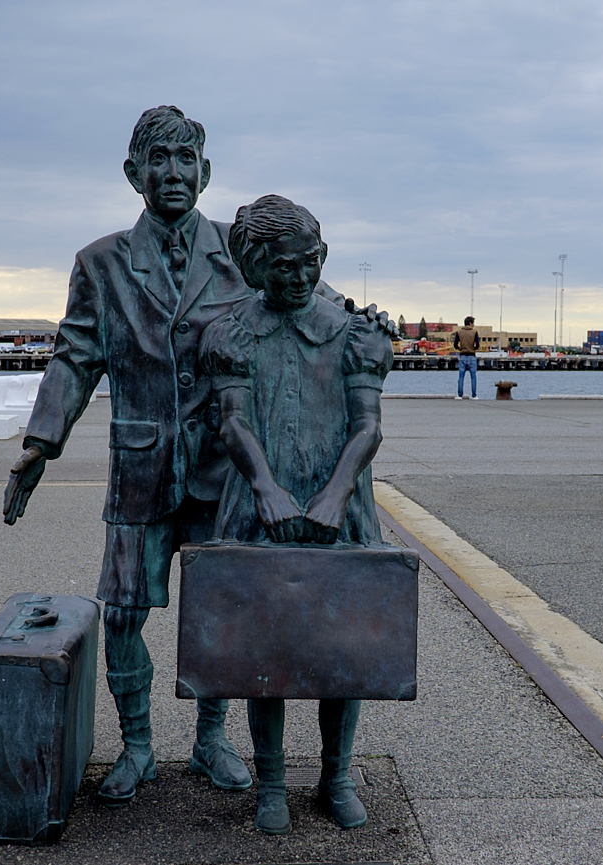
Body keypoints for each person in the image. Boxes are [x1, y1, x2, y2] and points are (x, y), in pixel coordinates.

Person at [1, 106, 253, 805]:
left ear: (205, 172)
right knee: (123, 613)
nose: (172, 172)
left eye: (184, 159)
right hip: (141, 469)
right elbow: (74, 356)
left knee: (222, 609)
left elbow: (296, 316)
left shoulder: (241, 251)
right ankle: (137, 745)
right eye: (158, 159)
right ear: (132, 173)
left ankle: (211, 738)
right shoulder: (102, 263)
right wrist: (39, 442)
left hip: (221, 468)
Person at [200, 194, 392, 834]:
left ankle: (336, 775)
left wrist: (336, 492)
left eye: (310, 262)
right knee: (267, 649)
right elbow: (233, 420)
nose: (301, 276)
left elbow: (367, 427)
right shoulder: (230, 333)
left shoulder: (356, 334)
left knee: (345, 647)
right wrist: (265, 489)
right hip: (263, 502)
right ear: (254, 266)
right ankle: (272, 781)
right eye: (284, 266)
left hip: (340, 502)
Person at [453, 315, 479, 399]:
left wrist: (460, 348)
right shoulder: (474, 332)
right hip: (472, 356)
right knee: (473, 377)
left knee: (461, 376)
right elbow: (477, 345)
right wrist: (473, 348)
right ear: (470, 323)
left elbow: (455, 345)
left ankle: (460, 395)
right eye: (473, 323)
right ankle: (474, 395)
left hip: (463, 355)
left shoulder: (459, 332)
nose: (473, 325)